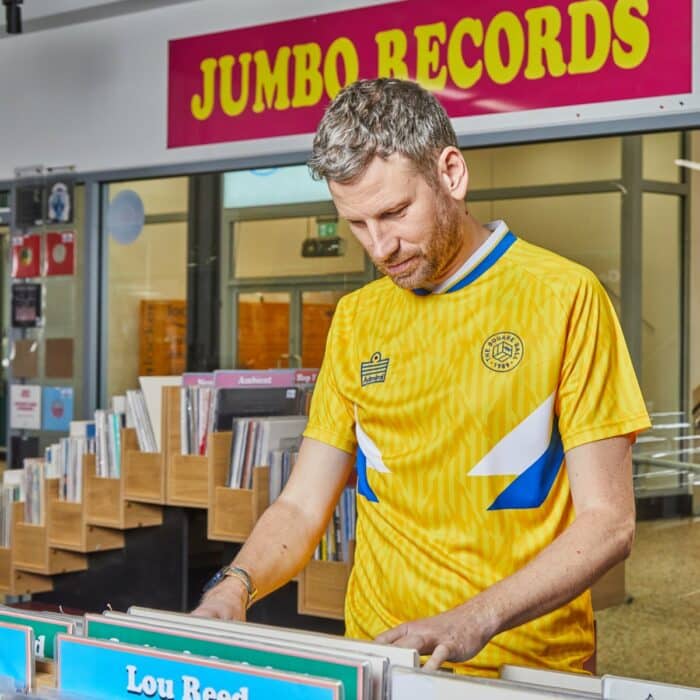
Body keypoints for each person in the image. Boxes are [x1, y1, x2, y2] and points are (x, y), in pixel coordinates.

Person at [193, 78, 651, 677]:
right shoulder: (357, 319)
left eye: (394, 212)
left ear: (451, 175)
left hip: (527, 672)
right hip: (380, 661)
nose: (380, 246)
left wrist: (476, 617)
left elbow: (609, 522)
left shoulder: (565, 297)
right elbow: (303, 505)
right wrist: (236, 586)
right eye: (356, 224)